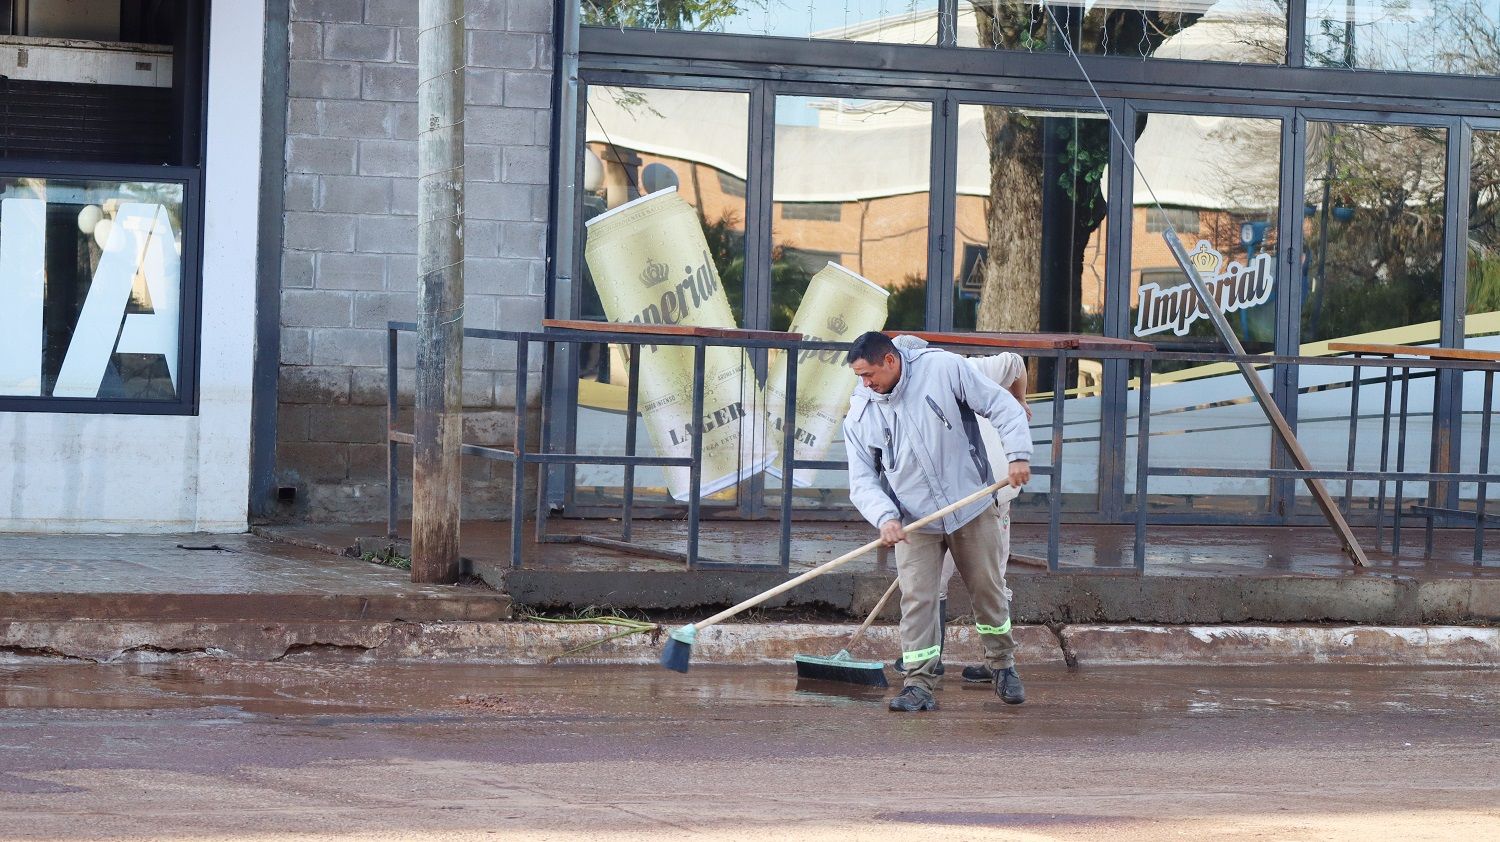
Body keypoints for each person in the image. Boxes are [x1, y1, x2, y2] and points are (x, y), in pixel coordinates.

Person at [842, 331, 1033, 712]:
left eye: (868, 374)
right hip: (914, 522)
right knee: (917, 600)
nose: (864, 384)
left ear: (890, 361)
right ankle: (918, 683)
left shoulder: (944, 369)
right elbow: (861, 480)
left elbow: (1001, 406)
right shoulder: (861, 412)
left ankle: (1002, 665)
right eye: (859, 377)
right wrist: (885, 517)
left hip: (971, 506)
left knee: (988, 589)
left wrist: (1017, 455)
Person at [888, 334, 1030, 685]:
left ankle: (997, 662)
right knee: (931, 583)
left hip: (990, 492)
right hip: (939, 504)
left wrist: (1019, 399)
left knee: (989, 580)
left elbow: (1015, 361)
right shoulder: (892, 396)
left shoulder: (962, 368)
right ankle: (928, 660)